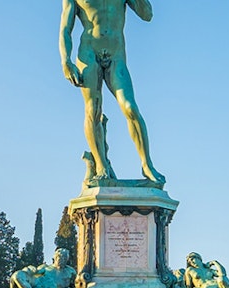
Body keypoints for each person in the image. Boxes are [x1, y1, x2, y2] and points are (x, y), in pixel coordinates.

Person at [60, 0, 165, 185]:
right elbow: (65, 29)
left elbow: (147, 15)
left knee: (130, 107)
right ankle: (101, 166)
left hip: (116, 55)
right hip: (88, 53)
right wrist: (66, 61)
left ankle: (147, 164)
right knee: (93, 110)